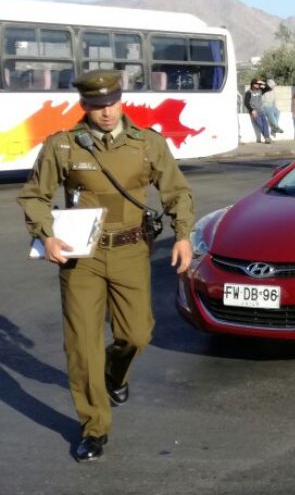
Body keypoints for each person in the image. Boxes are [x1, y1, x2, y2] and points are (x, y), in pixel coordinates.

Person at [17, 71, 194, 463]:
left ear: (121, 100)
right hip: (81, 257)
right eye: (97, 106)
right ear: (84, 106)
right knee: (82, 345)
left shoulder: (147, 143)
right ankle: (94, 427)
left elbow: (177, 192)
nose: (107, 112)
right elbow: (34, 196)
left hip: (131, 250)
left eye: (112, 103)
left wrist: (183, 235)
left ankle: (114, 372)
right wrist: (46, 235)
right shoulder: (63, 145)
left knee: (137, 334)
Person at [243, 78, 271, 144]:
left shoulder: (260, 90)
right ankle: (267, 138)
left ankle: (267, 138)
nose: (258, 85)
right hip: (254, 111)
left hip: (261, 110)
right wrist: (252, 110)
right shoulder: (249, 92)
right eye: (256, 84)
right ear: (253, 84)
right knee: (260, 124)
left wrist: (262, 82)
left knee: (265, 124)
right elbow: (246, 103)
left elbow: (268, 88)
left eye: (259, 84)